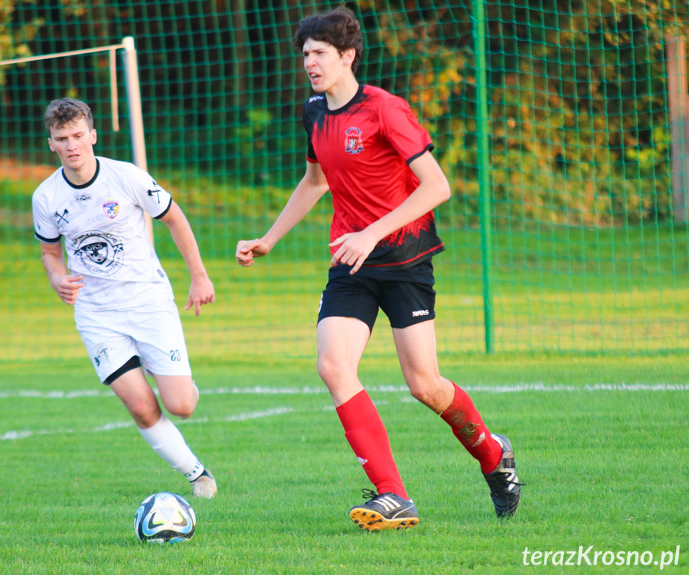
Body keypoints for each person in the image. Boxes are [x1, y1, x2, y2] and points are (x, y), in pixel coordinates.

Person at [236, 7, 521, 529]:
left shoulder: (385, 109)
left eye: (320, 53)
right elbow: (315, 182)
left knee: (424, 385)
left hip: (404, 259)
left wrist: (373, 232)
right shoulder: (314, 113)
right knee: (333, 366)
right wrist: (269, 239)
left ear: (347, 56)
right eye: (305, 54)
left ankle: (493, 455)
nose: (310, 63)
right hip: (351, 261)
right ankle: (394, 495)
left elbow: (438, 187)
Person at [32, 97, 217, 498]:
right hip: (97, 314)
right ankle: (197, 475)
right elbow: (49, 253)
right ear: (51, 143)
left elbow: (175, 218)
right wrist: (56, 278)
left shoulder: (126, 177)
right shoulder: (46, 197)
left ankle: (176, 379)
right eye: (62, 138)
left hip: (147, 300)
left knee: (181, 406)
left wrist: (199, 276)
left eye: (78, 135)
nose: (71, 145)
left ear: (93, 136)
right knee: (140, 406)